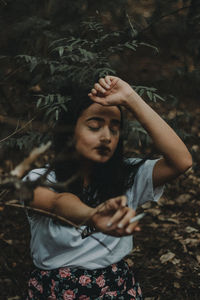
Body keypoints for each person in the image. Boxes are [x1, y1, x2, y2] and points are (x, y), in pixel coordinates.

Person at [25, 76, 192, 300]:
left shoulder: (128, 176)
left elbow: (182, 161)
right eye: (94, 126)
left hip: (117, 289)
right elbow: (57, 202)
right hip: (55, 292)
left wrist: (131, 98)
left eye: (115, 129)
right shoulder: (38, 179)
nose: (106, 137)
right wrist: (92, 215)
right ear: (69, 131)